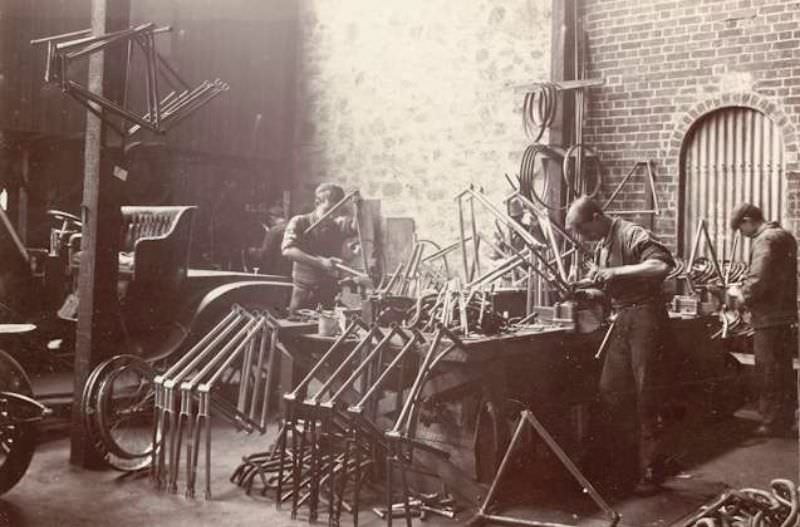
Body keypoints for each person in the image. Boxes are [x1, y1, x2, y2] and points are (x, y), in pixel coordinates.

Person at [566, 196, 676, 495]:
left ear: (597, 216)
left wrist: (616, 272)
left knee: (646, 394)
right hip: (622, 319)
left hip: (646, 318)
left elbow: (662, 265)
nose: (581, 236)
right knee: (611, 392)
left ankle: (653, 470)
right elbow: (610, 293)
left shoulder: (631, 233)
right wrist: (588, 291)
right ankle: (621, 467)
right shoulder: (602, 245)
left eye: (581, 228)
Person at [728, 203, 798, 437]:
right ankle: (785, 417)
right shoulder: (785, 236)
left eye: (741, 228)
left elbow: (758, 277)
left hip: (767, 316)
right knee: (783, 367)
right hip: (783, 314)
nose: (742, 234)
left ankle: (771, 422)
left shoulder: (765, 240)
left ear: (748, 220)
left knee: (767, 368)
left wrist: (740, 295)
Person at [281, 183, 357, 313]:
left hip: (329, 291)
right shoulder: (300, 221)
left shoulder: (336, 225)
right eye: (329, 210)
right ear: (317, 203)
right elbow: (288, 250)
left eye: (337, 211)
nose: (333, 215)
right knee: (297, 325)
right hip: (304, 291)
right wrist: (320, 262)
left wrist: (359, 206)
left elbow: (356, 228)